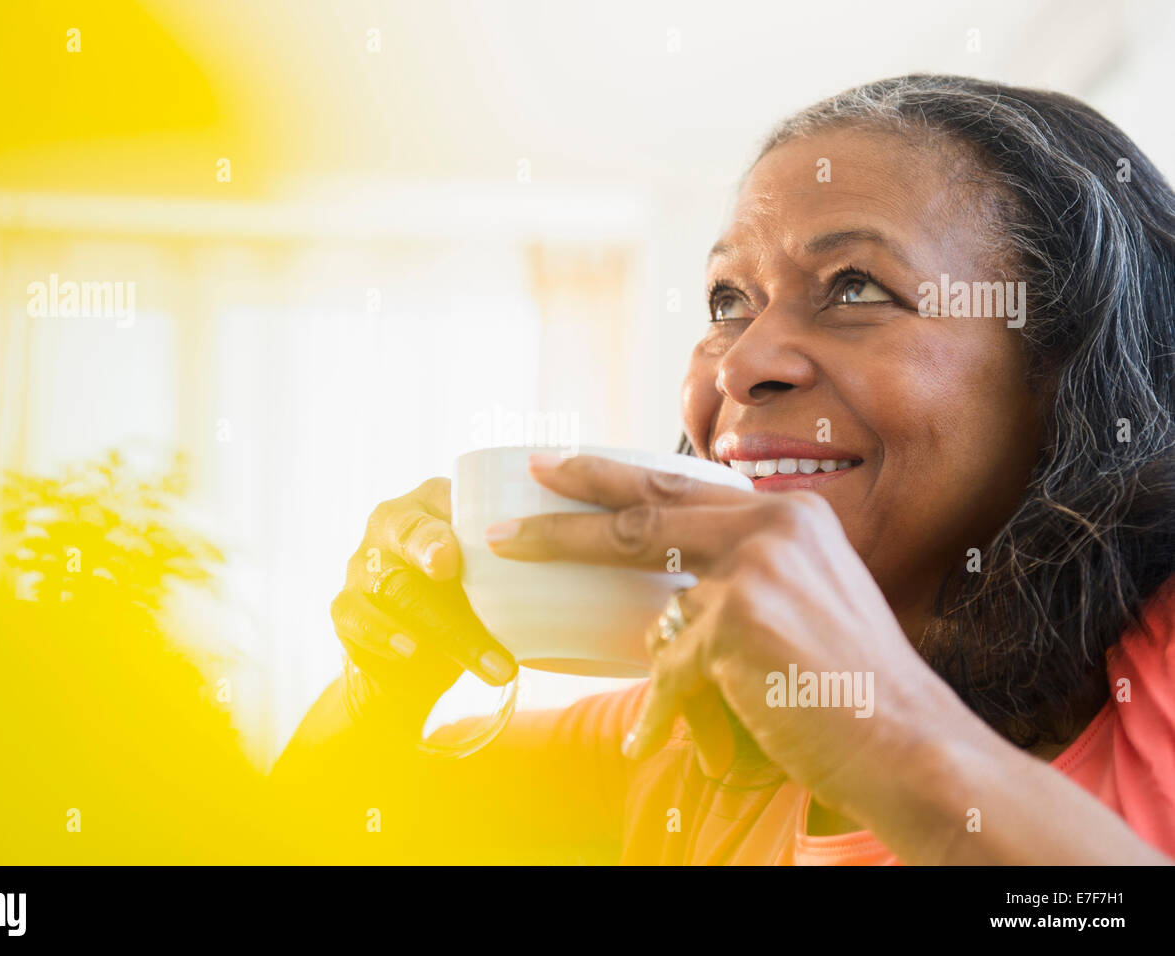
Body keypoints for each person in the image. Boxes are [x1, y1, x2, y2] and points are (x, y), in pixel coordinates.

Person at [271, 74, 1175, 864]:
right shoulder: (689, 735)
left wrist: (886, 739)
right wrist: (380, 687)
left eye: (857, 287)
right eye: (729, 301)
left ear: (1064, 366)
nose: (741, 364)